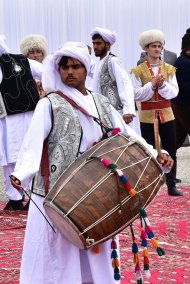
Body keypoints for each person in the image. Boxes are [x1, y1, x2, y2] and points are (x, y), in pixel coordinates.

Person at [10, 42, 173, 284]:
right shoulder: (50, 103)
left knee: (98, 243)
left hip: (97, 189)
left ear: (86, 69)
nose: (70, 72)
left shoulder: (102, 102)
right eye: (65, 67)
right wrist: (22, 174)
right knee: (60, 250)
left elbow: (126, 135)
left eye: (76, 66)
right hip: (57, 190)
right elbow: (32, 143)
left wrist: (154, 153)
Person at [131, 29, 183, 196]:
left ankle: (171, 183)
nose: (157, 49)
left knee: (171, 148)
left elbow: (174, 92)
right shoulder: (137, 71)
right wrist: (151, 85)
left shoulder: (169, 69)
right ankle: (150, 185)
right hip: (147, 115)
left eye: (159, 46)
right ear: (146, 48)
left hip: (167, 113)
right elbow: (135, 93)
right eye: (153, 46)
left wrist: (162, 86)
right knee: (148, 149)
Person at [0, 35, 44, 210]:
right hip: (16, 117)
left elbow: (48, 72)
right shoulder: (23, 60)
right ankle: (22, 198)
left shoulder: (18, 62)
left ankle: (24, 198)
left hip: (18, 118)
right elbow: (48, 72)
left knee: (21, 156)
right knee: (17, 158)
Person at [91, 27, 141, 135]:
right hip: (106, 115)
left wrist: (128, 110)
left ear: (108, 44)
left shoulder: (113, 61)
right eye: (94, 43)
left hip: (120, 114)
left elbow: (125, 84)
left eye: (99, 43)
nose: (95, 46)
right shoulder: (98, 64)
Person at [171, 29, 190, 155]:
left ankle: (163, 157)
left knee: (175, 140)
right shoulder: (183, 63)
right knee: (175, 139)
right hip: (184, 106)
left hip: (181, 105)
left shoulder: (185, 61)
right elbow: (185, 86)